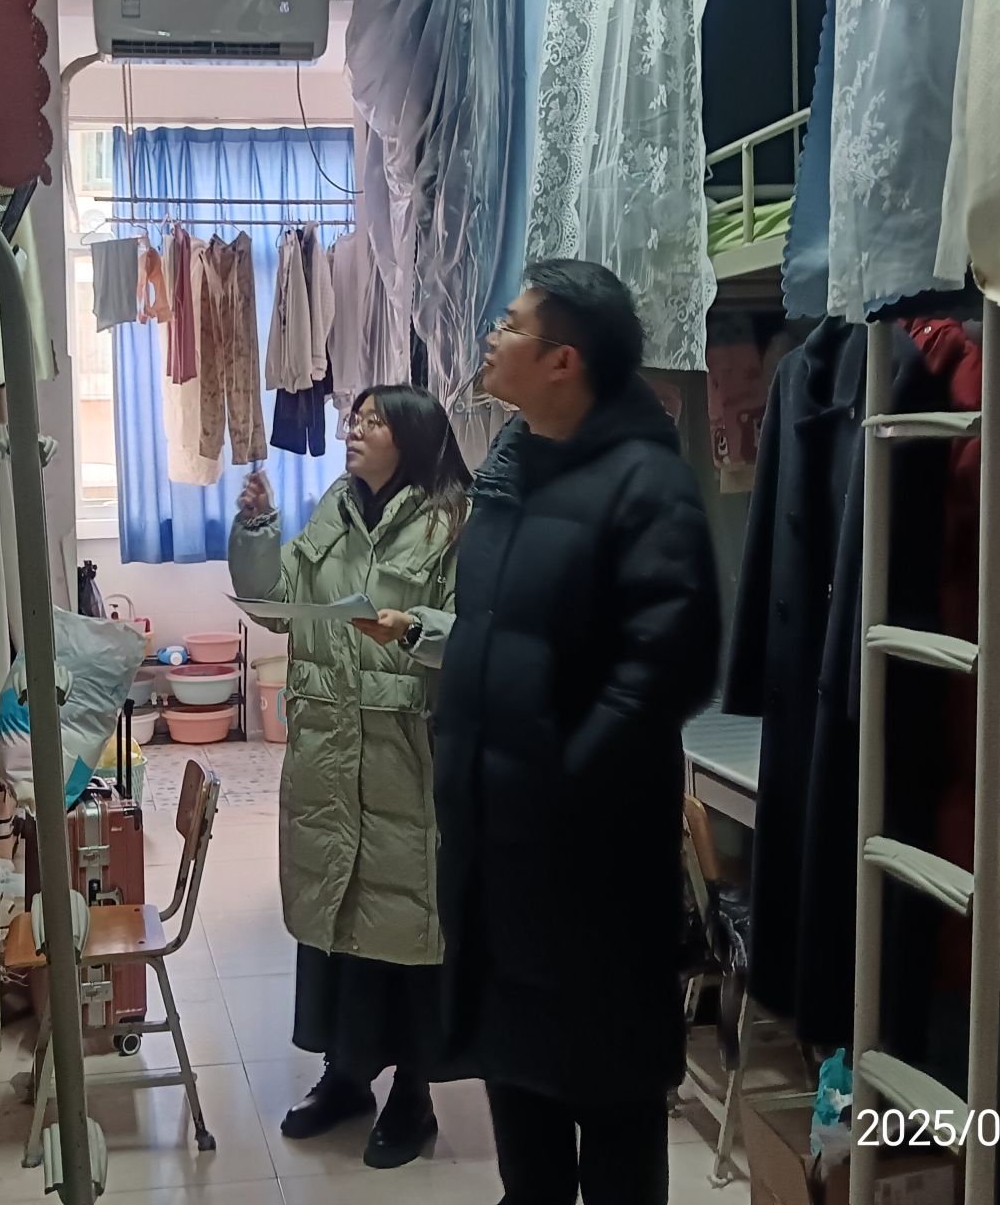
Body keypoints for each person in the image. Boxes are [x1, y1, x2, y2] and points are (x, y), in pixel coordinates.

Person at [357, 260, 721, 1205]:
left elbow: (668, 669)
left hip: (594, 875)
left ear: (564, 360)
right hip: (499, 864)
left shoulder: (648, 486)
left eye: (512, 324)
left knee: (613, 1116)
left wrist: (561, 787)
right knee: (524, 1118)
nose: (493, 335)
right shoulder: (512, 477)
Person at [228, 384, 471, 1169]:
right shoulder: (332, 510)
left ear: (414, 437)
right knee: (333, 921)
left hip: (406, 757)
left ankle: (413, 1096)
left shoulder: (450, 522)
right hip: (327, 753)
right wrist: (257, 528)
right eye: (354, 419)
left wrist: (413, 628)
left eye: (373, 421)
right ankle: (345, 1076)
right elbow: (275, 606)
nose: (353, 430)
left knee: (404, 929)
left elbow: (475, 633)